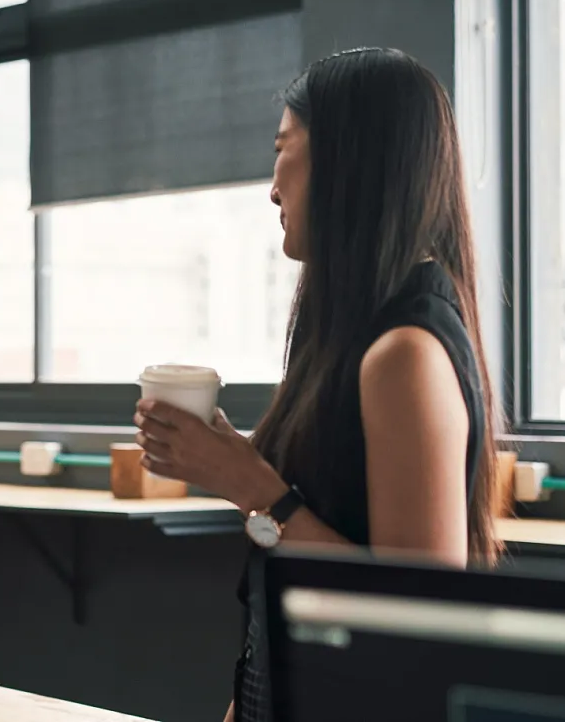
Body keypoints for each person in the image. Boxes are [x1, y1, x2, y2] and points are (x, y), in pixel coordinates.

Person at [131, 48, 502, 722]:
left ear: (347, 162)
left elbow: (420, 611)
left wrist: (250, 483)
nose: (272, 187)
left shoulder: (404, 353)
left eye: (283, 150)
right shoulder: (350, 330)